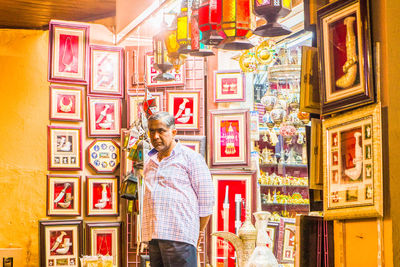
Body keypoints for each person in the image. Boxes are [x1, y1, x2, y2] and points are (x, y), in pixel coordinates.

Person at [142, 111, 215, 267]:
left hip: (180, 236)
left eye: (161, 131)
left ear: (173, 132)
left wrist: (198, 231)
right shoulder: (149, 161)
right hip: (154, 236)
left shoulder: (190, 158)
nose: (155, 136)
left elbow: (206, 199)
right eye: (152, 131)